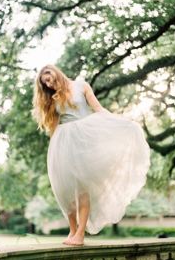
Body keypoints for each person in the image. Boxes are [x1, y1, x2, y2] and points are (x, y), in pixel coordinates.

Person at [32, 64, 150, 246]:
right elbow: (54, 127)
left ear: (55, 73)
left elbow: (99, 109)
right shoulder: (52, 97)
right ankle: (72, 231)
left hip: (84, 141)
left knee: (84, 190)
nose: (48, 85)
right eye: (44, 83)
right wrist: (52, 152)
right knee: (65, 190)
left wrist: (121, 120)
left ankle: (80, 234)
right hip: (63, 143)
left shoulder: (82, 86)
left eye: (48, 80)